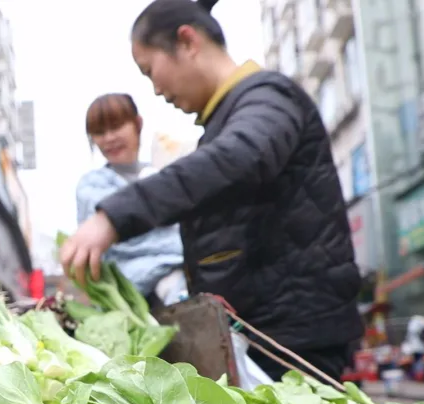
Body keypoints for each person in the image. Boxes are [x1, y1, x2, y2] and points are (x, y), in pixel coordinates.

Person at [59, 0, 364, 383]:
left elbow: (238, 157)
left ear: (187, 42)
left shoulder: (267, 98)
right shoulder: (226, 121)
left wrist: (113, 218)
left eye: (151, 70)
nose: (155, 89)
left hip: (289, 344)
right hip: (259, 337)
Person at [77, 93, 187, 306]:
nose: (109, 138)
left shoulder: (163, 173)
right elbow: (112, 247)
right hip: (123, 299)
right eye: (99, 132)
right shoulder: (91, 186)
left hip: (181, 285)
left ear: (137, 124)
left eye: (116, 126)